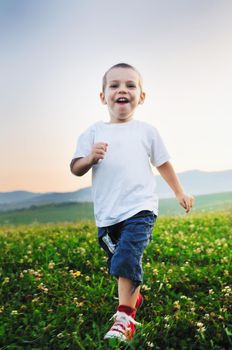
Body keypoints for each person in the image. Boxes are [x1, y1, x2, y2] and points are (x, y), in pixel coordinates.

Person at [70, 63, 194, 342]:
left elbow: (163, 163)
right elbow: (75, 167)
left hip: (141, 209)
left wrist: (178, 192)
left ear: (142, 96)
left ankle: (124, 318)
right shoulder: (92, 133)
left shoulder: (147, 131)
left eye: (130, 85)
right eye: (114, 85)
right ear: (103, 96)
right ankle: (132, 299)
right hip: (107, 216)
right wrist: (89, 158)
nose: (122, 90)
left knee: (127, 257)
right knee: (120, 263)